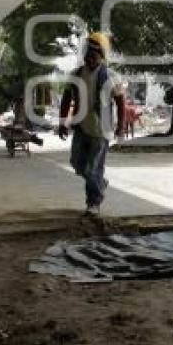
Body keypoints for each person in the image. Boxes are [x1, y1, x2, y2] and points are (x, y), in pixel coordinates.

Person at [58, 33, 125, 217]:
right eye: (87, 54)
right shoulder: (76, 74)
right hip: (81, 128)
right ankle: (100, 183)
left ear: (101, 55)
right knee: (77, 163)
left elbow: (120, 103)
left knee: (92, 169)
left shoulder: (111, 77)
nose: (88, 58)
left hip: (101, 132)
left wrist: (121, 127)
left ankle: (93, 203)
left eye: (93, 55)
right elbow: (66, 99)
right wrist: (63, 122)